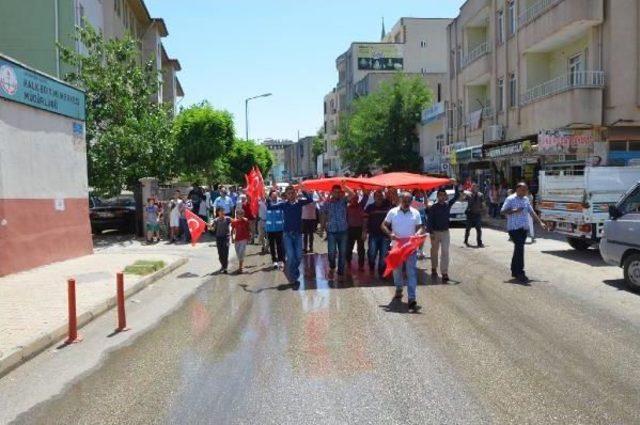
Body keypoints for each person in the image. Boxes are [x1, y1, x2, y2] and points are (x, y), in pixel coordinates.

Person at [381, 192, 425, 310]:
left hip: (410, 248)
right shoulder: (393, 212)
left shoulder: (415, 213)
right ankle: (399, 288)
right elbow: (383, 225)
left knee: (411, 272)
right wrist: (390, 234)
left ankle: (412, 298)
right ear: (400, 200)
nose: (406, 203)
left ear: (411, 201)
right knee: (397, 271)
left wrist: (418, 233)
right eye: (404, 201)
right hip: (396, 247)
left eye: (408, 201)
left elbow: (421, 226)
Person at [267, 186, 313, 287]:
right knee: (291, 256)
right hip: (287, 234)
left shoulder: (300, 202)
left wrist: (303, 190)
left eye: (293, 193)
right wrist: (267, 198)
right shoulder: (283, 204)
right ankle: (293, 276)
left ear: (296, 193)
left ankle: (293, 272)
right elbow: (270, 207)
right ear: (286, 195)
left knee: (299, 256)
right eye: (289, 193)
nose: (291, 195)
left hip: (297, 234)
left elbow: (310, 199)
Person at [501, 182, 547, 283]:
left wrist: (540, 222)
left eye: (526, 189)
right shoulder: (510, 199)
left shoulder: (526, 199)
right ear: (517, 189)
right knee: (520, 249)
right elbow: (502, 211)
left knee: (518, 249)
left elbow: (532, 212)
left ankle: (514, 270)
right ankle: (520, 272)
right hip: (514, 228)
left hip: (523, 229)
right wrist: (514, 210)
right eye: (523, 189)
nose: (525, 191)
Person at [319, 183, 355, 279]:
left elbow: (353, 194)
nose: (337, 194)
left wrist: (345, 186)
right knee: (331, 252)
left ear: (341, 193)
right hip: (331, 232)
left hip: (343, 231)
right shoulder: (326, 203)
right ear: (331, 192)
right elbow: (323, 215)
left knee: (343, 253)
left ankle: (340, 273)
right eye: (335, 192)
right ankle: (332, 266)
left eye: (339, 192)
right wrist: (321, 228)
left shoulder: (343, 201)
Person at [426, 183, 460, 282]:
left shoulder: (447, 205)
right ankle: (434, 267)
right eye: (439, 195)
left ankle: (444, 272)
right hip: (435, 233)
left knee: (445, 252)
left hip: (445, 232)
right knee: (434, 252)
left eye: (443, 195)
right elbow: (429, 220)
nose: (441, 197)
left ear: (445, 197)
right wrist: (431, 232)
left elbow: (457, 196)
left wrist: (456, 185)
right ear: (437, 197)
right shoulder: (433, 207)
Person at [363, 190, 392, 276]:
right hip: (373, 234)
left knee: (384, 255)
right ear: (374, 197)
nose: (379, 197)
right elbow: (365, 220)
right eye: (377, 196)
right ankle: (371, 265)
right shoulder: (369, 207)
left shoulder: (388, 206)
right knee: (371, 253)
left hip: (385, 236)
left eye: (381, 196)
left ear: (383, 197)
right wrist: (364, 231)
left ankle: (381, 272)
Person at [346, 191, 369, 271]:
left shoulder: (361, 205)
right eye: (353, 199)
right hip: (350, 229)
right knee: (348, 248)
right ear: (350, 200)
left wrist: (361, 185)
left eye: (356, 198)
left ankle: (361, 265)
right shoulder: (347, 208)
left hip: (360, 229)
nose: (355, 200)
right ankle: (348, 262)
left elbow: (366, 196)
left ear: (358, 199)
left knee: (361, 248)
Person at [265, 189, 285, 269]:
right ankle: (274, 261)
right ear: (270, 196)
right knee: (272, 246)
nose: (274, 197)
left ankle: (280, 261)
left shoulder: (281, 203)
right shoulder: (266, 204)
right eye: (273, 196)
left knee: (279, 245)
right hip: (270, 229)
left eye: (275, 196)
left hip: (279, 228)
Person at [210, 207, 232, 274]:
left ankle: (225, 267)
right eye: (221, 211)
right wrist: (210, 227)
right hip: (219, 238)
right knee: (220, 254)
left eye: (223, 211)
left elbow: (235, 221)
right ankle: (223, 265)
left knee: (225, 253)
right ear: (218, 212)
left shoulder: (228, 219)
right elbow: (213, 229)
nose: (222, 212)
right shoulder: (216, 220)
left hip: (226, 238)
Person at [463, 183, 484, 248]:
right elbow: (463, 199)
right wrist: (463, 194)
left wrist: (484, 210)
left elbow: (483, 203)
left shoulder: (480, 195)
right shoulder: (469, 195)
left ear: (477, 188)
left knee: (479, 229)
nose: (474, 188)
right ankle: (466, 240)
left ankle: (479, 242)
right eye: (473, 187)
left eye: (475, 187)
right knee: (468, 229)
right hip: (470, 214)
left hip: (477, 214)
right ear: (471, 188)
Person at [231, 208, 251, 274]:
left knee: (241, 252)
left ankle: (240, 267)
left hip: (244, 239)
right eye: (238, 214)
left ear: (243, 214)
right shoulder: (234, 221)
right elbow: (232, 230)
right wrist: (232, 238)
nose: (240, 216)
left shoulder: (246, 221)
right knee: (238, 253)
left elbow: (248, 230)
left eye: (241, 214)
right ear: (236, 215)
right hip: (237, 239)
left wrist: (248, 238)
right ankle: (241, 264)